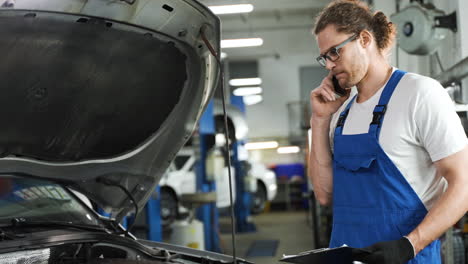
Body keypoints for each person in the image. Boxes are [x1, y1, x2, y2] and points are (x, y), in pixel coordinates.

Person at [308, 1, 468, 263]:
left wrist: (409, 245)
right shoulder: (340, 109)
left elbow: (464, 183)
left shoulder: (419, 93)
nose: (329, 65)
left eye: (335, 52)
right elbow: (325, 195)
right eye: (324, 56)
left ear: (364, 39)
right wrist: (319, 119)